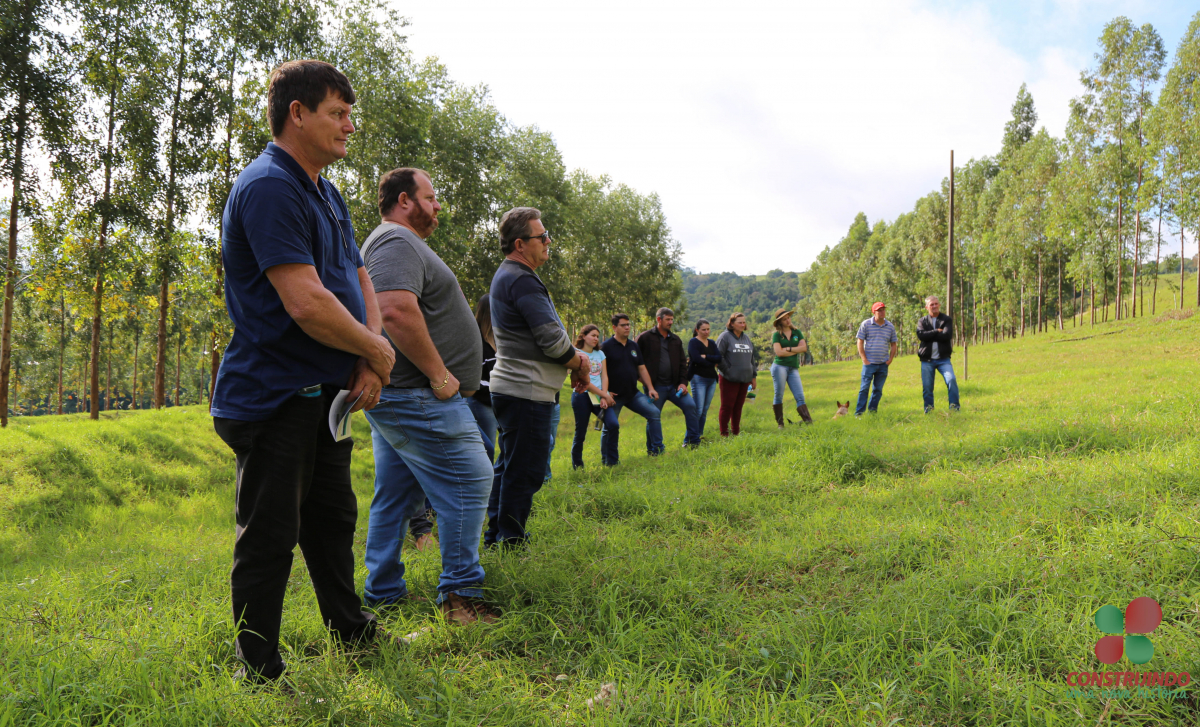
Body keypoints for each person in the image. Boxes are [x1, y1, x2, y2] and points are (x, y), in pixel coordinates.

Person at [211, 60, 395, 683]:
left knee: (332, 521)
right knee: (270, 534)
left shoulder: (326, 192)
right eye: (337, 113)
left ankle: (352, 632)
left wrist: (369, 352)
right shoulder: (269, 186)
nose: (349, 127)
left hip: (327, 396)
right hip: (276, 395)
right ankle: (257, 668)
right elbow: (306, 302)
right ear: (297, 113)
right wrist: (377, 352)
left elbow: (359, 277)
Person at [358, 166, 495, 625]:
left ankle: (382, 592)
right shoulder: (395, 241)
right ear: (404, 200)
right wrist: (439, 376)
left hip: (404, 394)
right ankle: (460, 596)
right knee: (471, 479)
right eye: (431, 197)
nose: (438, 206)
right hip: (419, 394)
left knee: (396, 494)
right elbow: (394, 311)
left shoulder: (398, 243)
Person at [487, 207, 590, 547]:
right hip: (524, 391)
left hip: (517, 389)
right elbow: (552, 339)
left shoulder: (512, 275)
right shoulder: (521, 279)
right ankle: (511, 540)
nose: (548, 241)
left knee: (509, 465)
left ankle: (496, 535)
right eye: (542, 236)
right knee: (525, 470)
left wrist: (574, 362)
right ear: (520, 244)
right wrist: (579, 362)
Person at [635, 307, 701, 451]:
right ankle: (654, 451)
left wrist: (683, 383)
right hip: (655, 387)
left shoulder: (675, 340)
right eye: (668, 319)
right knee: (653, 416)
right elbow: (634, 361)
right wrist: (645, 382)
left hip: (675, 387)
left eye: (672, 319)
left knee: (690, 406)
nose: (671, 322)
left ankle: (693, 442)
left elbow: (683, 364)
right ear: (659, 319)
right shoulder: (645, 338)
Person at [599, 313, 661, 465]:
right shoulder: (605, 347)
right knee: (609, 427)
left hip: (633, 394)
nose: (627, 327)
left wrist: (650, 388)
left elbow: (642, 368)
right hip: (613, 397)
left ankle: (657, 451)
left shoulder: (634, 346)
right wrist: (604, 393)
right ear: (614, 327)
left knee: (654, 413)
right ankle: (607, 460)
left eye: (628, 324)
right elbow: (598, 373)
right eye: (623, 325)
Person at [570, 324, 615, 468]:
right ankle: (578, 466)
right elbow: (584, 381)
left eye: (597, 336)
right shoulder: (576, 353)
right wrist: (604, 395)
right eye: (593, 335)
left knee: (613, 424)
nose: (596, 338)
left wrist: (604, 395)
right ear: (583, 336)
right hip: (582, 395)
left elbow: (605, 376)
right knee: (581, 433)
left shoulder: (600, 354)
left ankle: (611, 461)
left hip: (600, 395)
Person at [466, 294, 498, 461]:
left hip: (498, 402)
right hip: (482, 402)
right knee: (487, 450)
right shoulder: (475, 341)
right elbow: (473, 378)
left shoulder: (499, 341)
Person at [916, 295, 960, 413]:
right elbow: (921, 335)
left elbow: (947, 336)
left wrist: (929, 335)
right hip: (927, 360)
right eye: (932, 304)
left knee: (951, 380)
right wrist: (936, 331)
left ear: (939, 305)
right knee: (927, 387)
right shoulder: (922, 321)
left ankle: (954, 408)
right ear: (927, 307)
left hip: (943, 359)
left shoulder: (946, 319)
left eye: (936, 304)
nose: (934, 306)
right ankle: (929, 410)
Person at [770, 308, 812, 427]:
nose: (788, 320)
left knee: (800, 396)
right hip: (780, 367)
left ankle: (808, 422)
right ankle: (780, 424)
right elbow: (779, 352)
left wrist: (788, 349)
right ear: (780, 322)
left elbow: (804, 348)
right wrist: (795, 350)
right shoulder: (776, 335)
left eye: (788, 317)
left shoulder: (797, 332)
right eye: (784, 319)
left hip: (793, 367)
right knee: (779, 394)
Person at [715, 312, 755, 436]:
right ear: (732, 324)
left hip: (745, 378)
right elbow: (718, 356)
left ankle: (736, 432)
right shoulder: (725, 337)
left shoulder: (746, 338)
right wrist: (728, 370)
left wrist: (753, 376)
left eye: (744, 322)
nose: (743, 325)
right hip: (729, 378)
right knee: (727, 406)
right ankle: (724, 433)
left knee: (738, 406)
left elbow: (751, 358)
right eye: (740, 322)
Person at [855, 301, 898, 416]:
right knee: (864, 388)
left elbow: (893, 344)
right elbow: (860, 341)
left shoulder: (890, 326)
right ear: (874, 312)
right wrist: (864, 359)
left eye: (883, 310)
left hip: (883, 364)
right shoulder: (866, 324)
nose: (882, 312)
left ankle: (872, 412)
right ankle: (859, 413)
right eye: (879, 310)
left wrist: (890, 359)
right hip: (869, 364)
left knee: (878, 390)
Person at [687, 319, 720, 438]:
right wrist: (711, 362)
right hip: (698, 379)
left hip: (711, 379)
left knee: (705, 410)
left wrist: (706, 356)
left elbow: (719, 358)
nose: (706, 332)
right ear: (697, 330)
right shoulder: (693, 342)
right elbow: (696, 359)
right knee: (698, 410)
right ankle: (690, 437)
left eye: (708, 329)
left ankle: (699, 435)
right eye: (703, 330)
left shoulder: (711, 343)